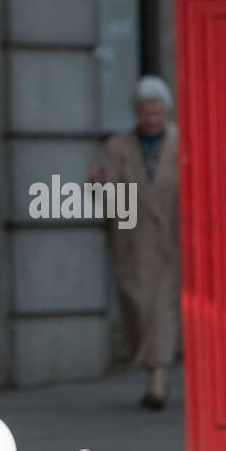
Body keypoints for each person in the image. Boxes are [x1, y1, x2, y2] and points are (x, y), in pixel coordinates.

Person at [89, 75, 181, 409]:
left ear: (166, 111)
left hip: (172, 240)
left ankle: (157, 380)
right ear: (136, 112)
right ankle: (152, 365)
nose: (152, 119)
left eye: (157, 113)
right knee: (139, 308)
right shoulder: (116, 147)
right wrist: (97, 184)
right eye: (146, 113)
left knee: (162, 309)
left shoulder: (184, 143)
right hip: (133, 242)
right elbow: (107, 198)